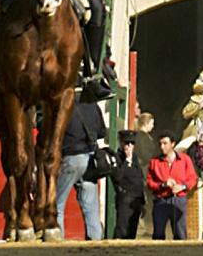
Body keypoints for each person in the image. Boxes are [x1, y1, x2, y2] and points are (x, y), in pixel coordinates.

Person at [56, 97, 104, 240]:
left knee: (57, 204)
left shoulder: (63, 104)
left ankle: (57, 237)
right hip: (90, 159)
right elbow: (102, 132)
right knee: (91, 208)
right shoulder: (93, 105)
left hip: (71, 157)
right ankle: (95, 242)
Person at [147, 131, 197, 239]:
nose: (162, 146)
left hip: (178, 200)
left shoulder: (185, 160)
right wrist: (162, 185)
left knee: (180, 234)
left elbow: (192, 179)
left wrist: (182, 187)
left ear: (173, 144)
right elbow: (150, 183)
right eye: (160, 143)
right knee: (158, 234)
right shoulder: (154, 162)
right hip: (161, 200)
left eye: (165, 143)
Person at [112, 129, 146, 238]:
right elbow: (118, 177)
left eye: (132, 143)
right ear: (121, 143)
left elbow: (139, 179)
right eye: (127, 143)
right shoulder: (117, 157)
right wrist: (127, 161)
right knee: (122, 230)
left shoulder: (135, 158)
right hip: (125, 199)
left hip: (136, 199)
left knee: (132, 231)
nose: (129, 146)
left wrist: (143, 201)